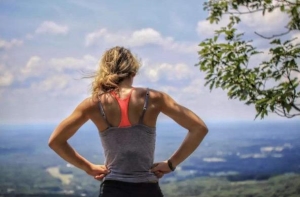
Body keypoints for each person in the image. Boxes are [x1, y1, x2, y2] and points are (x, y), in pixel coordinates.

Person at [48, 46, 208, 197]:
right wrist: (171, 164)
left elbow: (56, 141)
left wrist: (88, 168)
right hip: (147, 188)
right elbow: (199, 128)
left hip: (112, 189)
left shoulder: (94, 104)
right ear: (133, 71)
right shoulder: (154, 99)